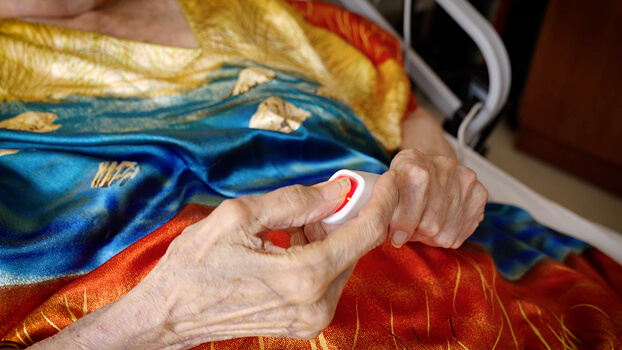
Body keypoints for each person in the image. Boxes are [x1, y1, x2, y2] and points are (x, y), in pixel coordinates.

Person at [2, 1, 620, 349]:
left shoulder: (268, 14)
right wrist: (164, 315)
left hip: (471, 304)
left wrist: (435, 172)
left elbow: (403, 109)